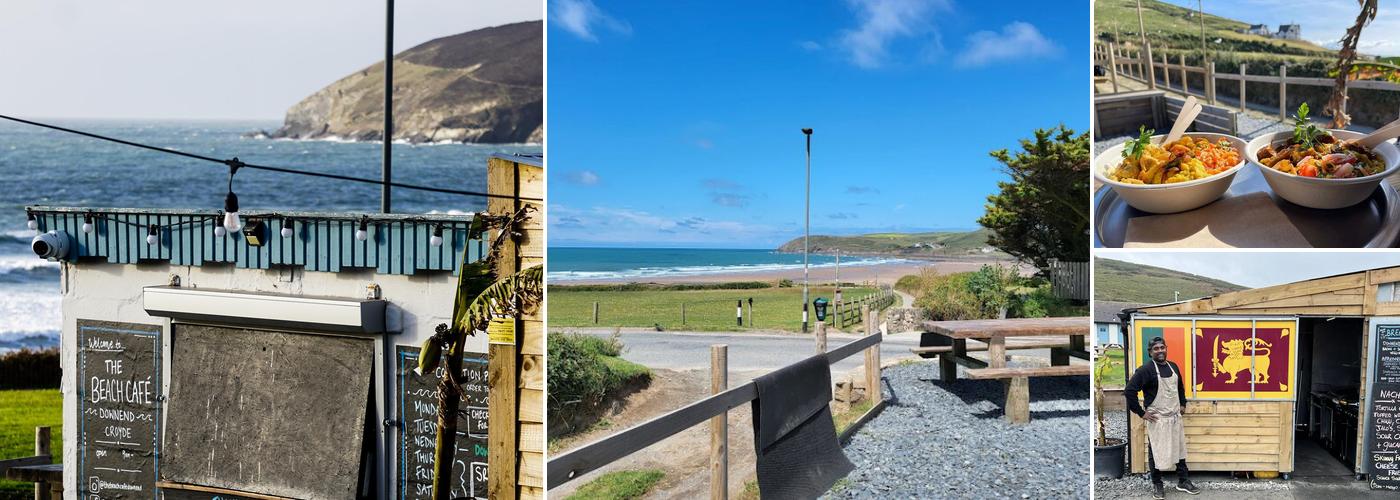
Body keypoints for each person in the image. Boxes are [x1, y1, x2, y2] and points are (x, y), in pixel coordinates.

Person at [1124, 336, 1201, 499]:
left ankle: (1183, 481)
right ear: (1150, 352)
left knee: (1180, 449)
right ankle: (1157, 484)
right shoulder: (1145, 370)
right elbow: (1129, 391)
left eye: (1162, 347)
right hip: (1158, 419)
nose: (1160, 351)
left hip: (1174, 416)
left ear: (1166, 348)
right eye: (1156, 349)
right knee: (1156, 451)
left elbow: (1179, 387)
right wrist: (1141, 412)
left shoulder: (1173, 366)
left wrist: (1183, 403)